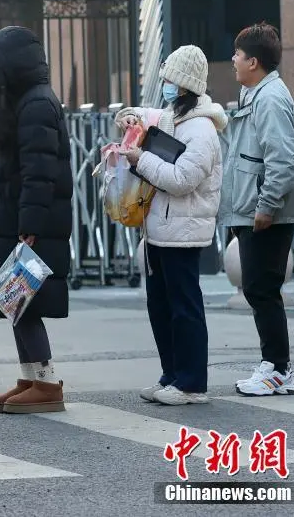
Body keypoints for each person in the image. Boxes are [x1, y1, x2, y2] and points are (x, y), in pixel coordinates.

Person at [0, 26, 73, 414]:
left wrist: (31, 226)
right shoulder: (21, 103)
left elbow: (39, 172)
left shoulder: (37, 104)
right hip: (16, 219)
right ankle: (30, 376)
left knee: (25, 303)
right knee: (16, 301)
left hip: (29, 224)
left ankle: (46, 382)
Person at [115, 45, 228, 405]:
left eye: (167, 81)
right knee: (160, 306)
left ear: (183, 86)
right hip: (159, 231)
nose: (163, 86)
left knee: (184, 308)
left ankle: (192, 384)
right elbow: (134, 113)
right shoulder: (170, 118)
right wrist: (129, 119)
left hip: (184, 233)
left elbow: (181, 180)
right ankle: (172, 376)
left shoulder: (200, 130)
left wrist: (141, 159)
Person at [218, 23, 294, 397]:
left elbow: (283, 160)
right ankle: (274, 365)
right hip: (254, 211)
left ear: (254, 61)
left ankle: (278, 369)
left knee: (262, 289)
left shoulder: (269, 99)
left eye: (237, 55)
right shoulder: (255, 95)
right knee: (260, 288)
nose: (233, 60)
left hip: (267, 214)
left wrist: (266, 206)